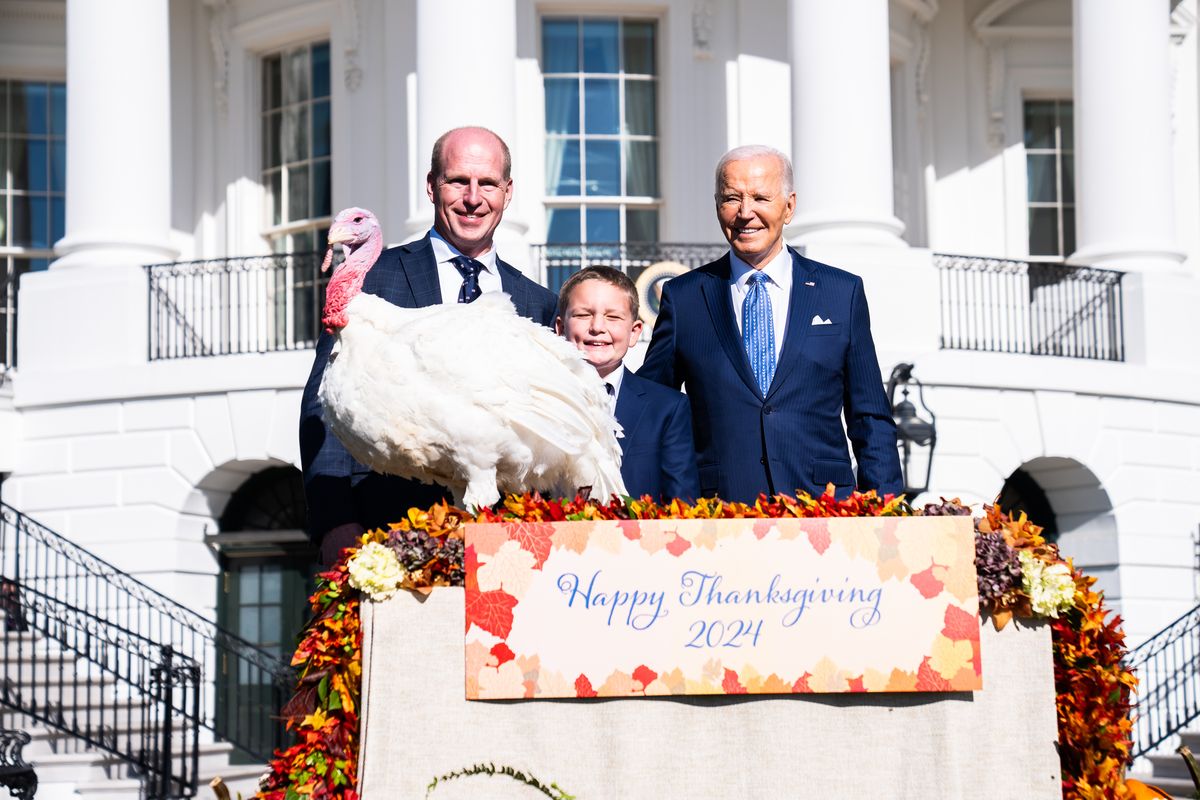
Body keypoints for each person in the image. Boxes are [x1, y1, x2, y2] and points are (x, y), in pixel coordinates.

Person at [300, 126, 558, 564]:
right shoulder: (373, 277)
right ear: (431, 186)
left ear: (507, 192)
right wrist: (336, 523)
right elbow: (324, 404)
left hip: (505, 546)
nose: (473, 198)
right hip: (383, 531)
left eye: (488, 183)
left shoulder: (538, 303)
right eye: (458, 181)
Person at [638, 145, 902, 503]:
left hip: (824, 512)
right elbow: (651, 411)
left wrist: (884, 515)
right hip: (717, 515)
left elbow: (870, 418)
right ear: (718, 206)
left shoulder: (842, 293)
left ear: (789, 206)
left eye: (760, 197)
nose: (746, 213)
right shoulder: (684, 298)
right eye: (732, 198)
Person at [556, 267, 699, 502]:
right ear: (560, 328)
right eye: (583, 315)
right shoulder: (537, 401)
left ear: (634, 333)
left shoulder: (667, 409)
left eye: (613, 317)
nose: (597, 327)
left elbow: (681, 504)